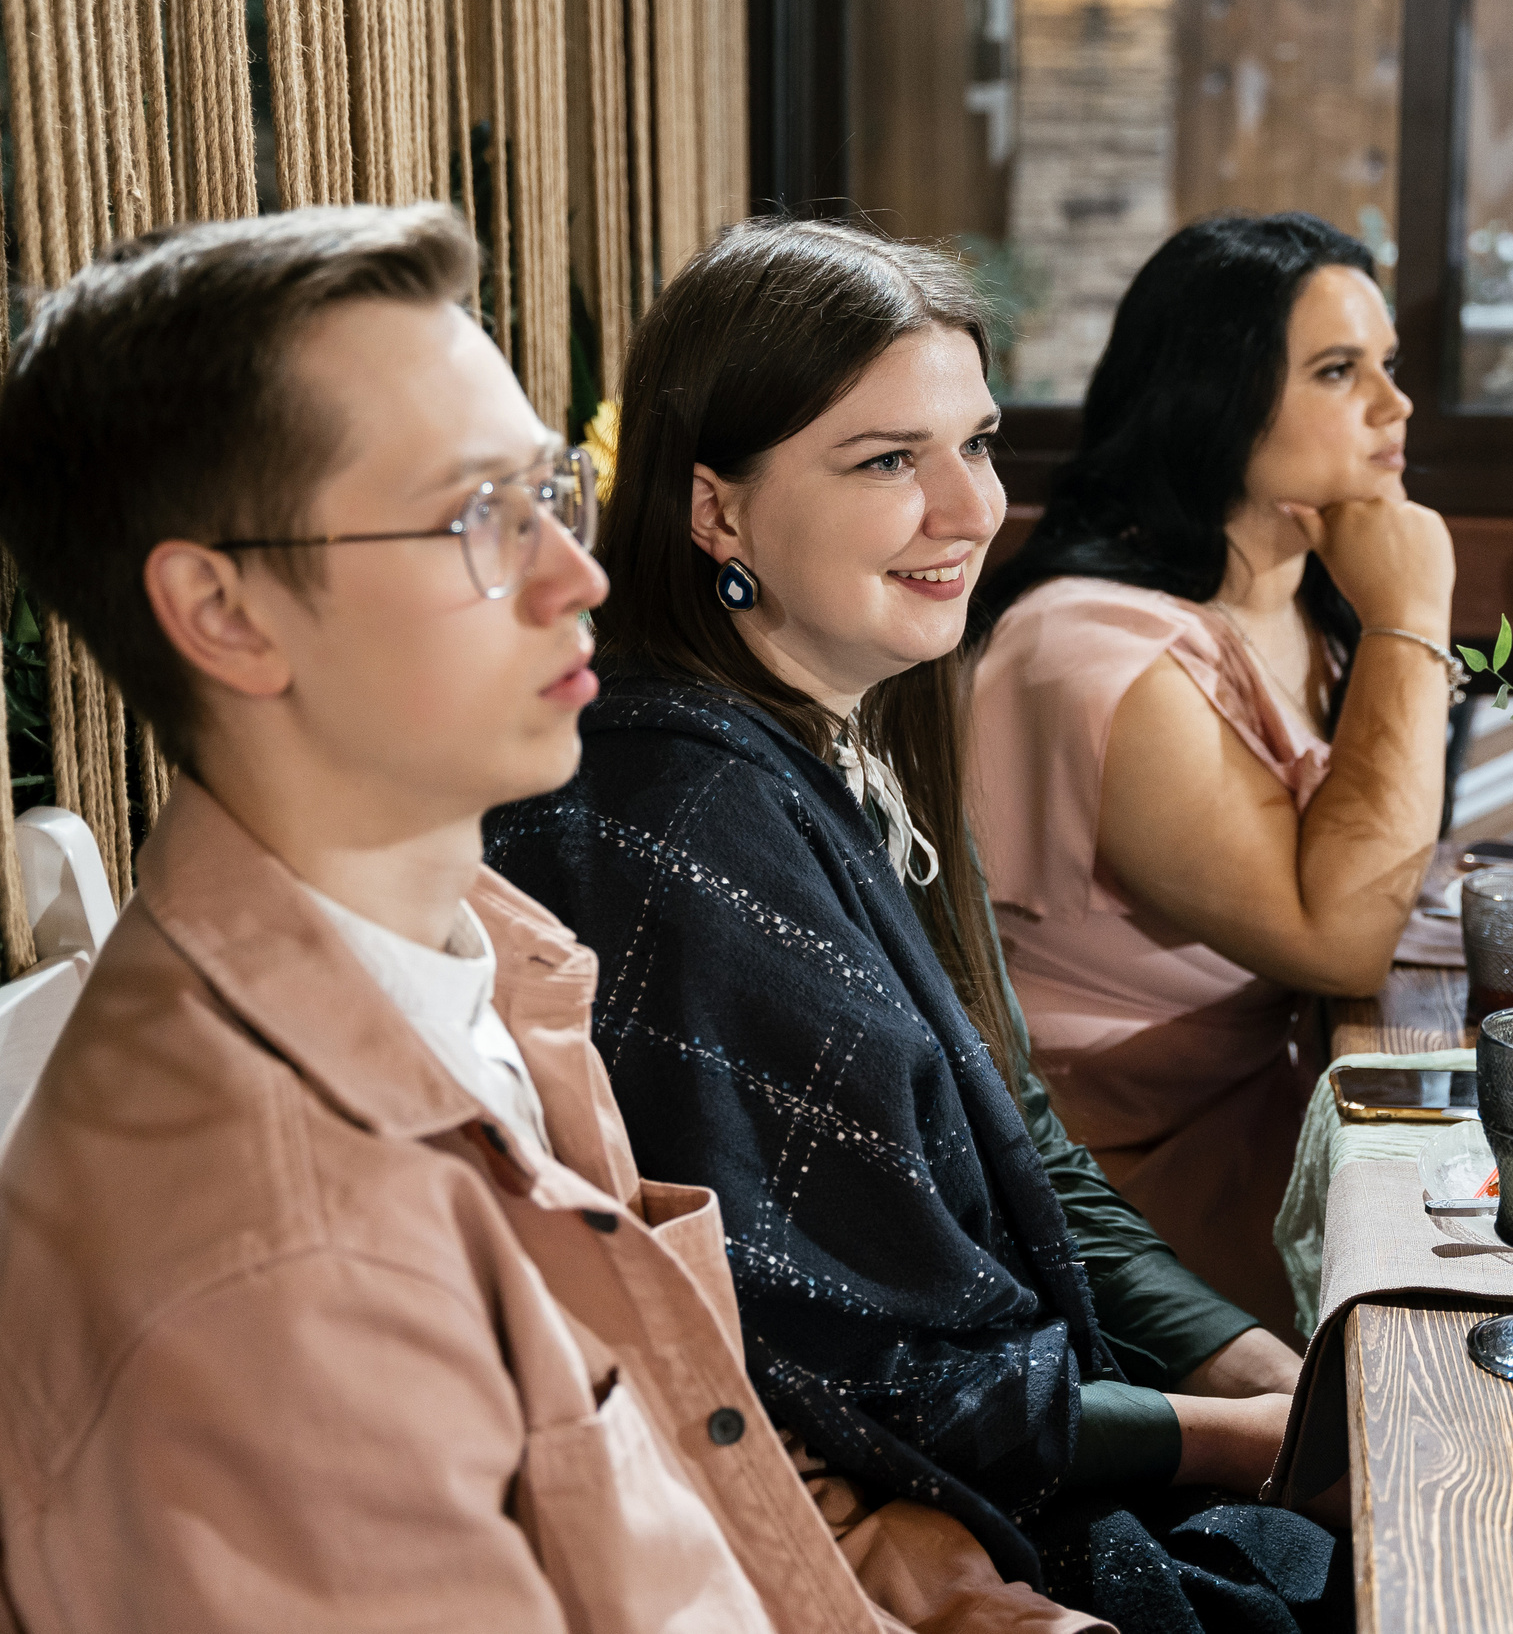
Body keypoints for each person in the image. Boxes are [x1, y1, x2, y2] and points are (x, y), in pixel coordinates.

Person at [0, 203, 1098, 1633]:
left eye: (544, 493)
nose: (580, 575)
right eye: (472, 518)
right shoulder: (288, 1273)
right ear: (226, 612)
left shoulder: (489, 966)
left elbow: (686, 1477)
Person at [483, 217, 1348, 1634]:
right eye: (888, 459)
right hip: (919, 1538)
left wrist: (1254, 1361)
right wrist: (1249, 1436)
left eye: (980, 443)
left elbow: (1032, 1141)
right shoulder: (682, 824)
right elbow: (859, 1375)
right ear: (718, 512)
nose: (969, 506)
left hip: (1029, 1449)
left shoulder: (845, 739)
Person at [965, 214, 1457, 1338]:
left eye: (1389, 367)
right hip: (1119, 1205)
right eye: (1339, 372)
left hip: (1280, 1109)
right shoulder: (1093, 655)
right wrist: (1411, 617)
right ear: (1213, 396)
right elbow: (1337, 938)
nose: (1395, 406)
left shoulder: (1299, 595)